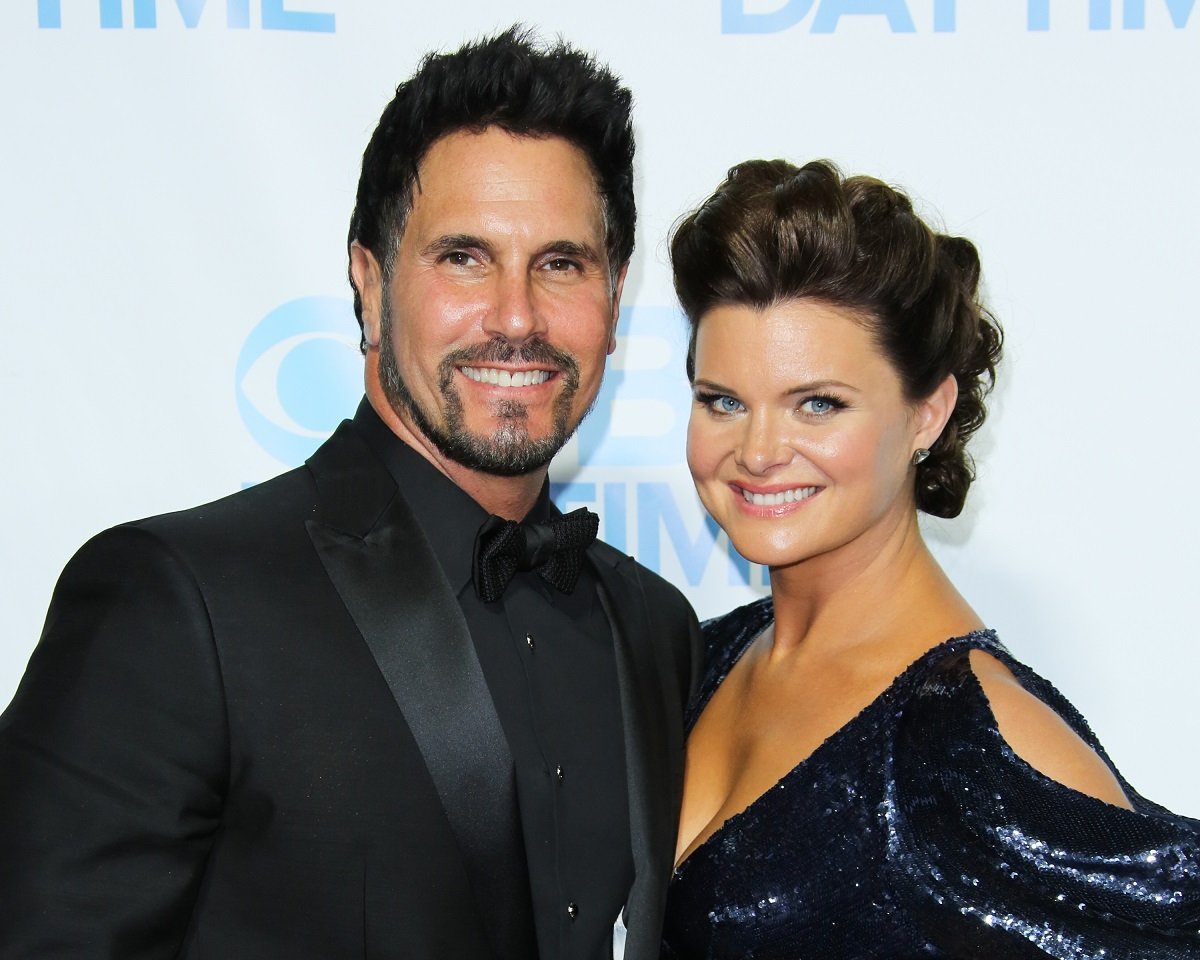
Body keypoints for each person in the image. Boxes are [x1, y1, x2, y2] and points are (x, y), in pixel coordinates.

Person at [0, 27, 701, 960]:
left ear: (614, 299)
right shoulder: (179, 603)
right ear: (370, 284)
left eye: (561, 264)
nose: (517, 317)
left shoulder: (655, 629)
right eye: (463, 257)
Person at [660, 158, 1200, 958]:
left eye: (818, 404)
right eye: (723, 402)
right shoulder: (699, 655)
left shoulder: (968, 747)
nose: (759, 450)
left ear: (927, 414)